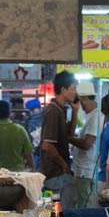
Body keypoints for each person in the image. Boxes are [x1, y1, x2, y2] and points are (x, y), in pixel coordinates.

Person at [40, 71, 78, 208]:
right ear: (63, 90)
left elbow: (70, 135)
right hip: (55, 176)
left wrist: (75, 112)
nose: (75, 92)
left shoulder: (61, 110)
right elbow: (47, 145)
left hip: (58, 175)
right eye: (73, 88)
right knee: (62, 216)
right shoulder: (53, 111)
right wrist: (63, 164)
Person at [69, 81, 102, 208]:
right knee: (82, 205)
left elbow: (87, 143)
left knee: (85, 208)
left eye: (78, 99)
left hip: (86, 172)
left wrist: (69, 139)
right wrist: (74, 111)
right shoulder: (90, 117)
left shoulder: (95, 117)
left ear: (84, 98)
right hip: (83, 171)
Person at [0, 99, 34, 172]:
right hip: (18, 175)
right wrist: (32, 172)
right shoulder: (20, 130)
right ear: (9, 113)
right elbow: (29, 155)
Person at [96, 93, 109, 196]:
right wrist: (108, 186)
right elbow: (108, 166)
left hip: (104, 178)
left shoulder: (107, 128)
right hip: (107, 180)